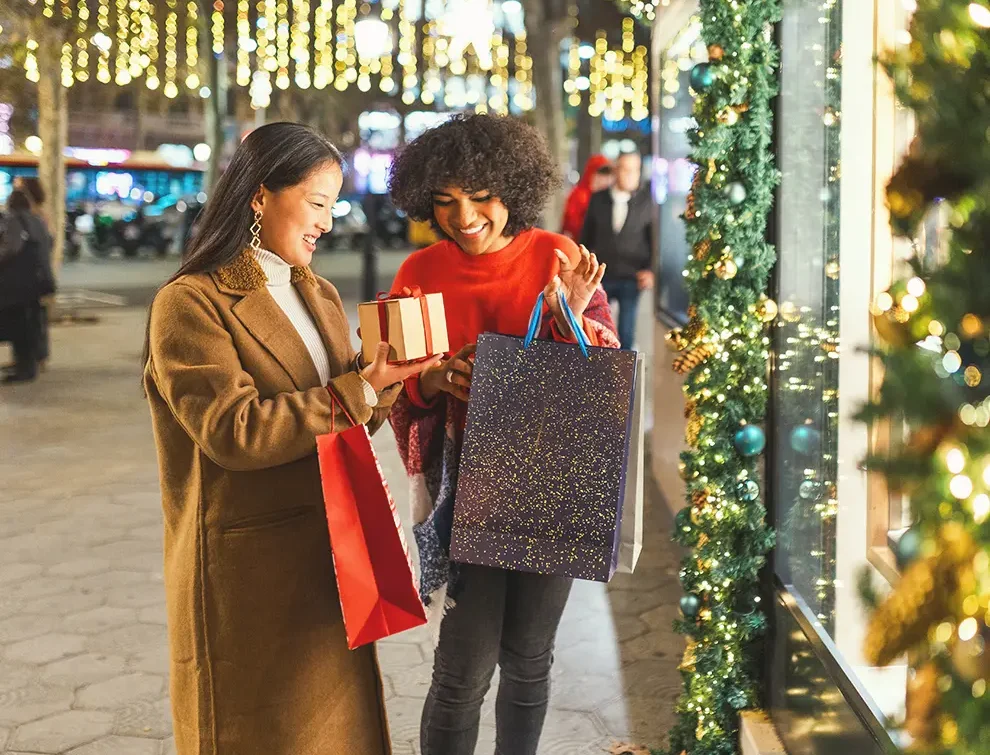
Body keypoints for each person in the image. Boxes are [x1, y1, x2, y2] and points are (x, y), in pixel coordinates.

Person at [142, 122, 440, 755]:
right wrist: (360, 390)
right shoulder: (191, 303)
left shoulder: (318, 292)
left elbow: (353, 414)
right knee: (263, 733)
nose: (326, 224)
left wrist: (392, 375)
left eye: (332, 207)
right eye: (317, 203)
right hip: (251, 568)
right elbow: (234, 432)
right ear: (258, 196)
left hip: (333, 553)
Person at [386, 113, 620, 755]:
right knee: (461, 670)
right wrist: (433, 382)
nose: (466, 216)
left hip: (556, 478)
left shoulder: (558, 255)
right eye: (446, 201)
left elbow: (601, 367)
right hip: (467, 489)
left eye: (481, 195)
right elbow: (398, 387)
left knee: (529, 656)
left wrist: (570, 315)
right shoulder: (418, 273)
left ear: (512, 187)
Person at [580, 150, 655, 350]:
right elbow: (586, 238)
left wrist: (651, 270)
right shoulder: (598, 199)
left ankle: (623, 378)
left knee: (626, 332)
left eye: (635, 170)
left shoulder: (647, 201)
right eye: (625, 169)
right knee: (597, 328)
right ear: (616, 170)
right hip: (602, 274)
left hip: (632, 275)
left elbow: (654, 240)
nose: (631, 175)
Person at [0, 189, 54, 384]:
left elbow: (11, 248)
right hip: (36, 282)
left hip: (17, 286)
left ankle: (25, 367)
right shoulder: (37, 220)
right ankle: (28, 363)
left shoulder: (14, 220)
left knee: (19, 326)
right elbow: (49, 243)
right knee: (30, 324)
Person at [560, 154, 612, 240]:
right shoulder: (579, 195)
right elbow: (571, 226)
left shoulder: (608, 196)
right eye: (601, 174)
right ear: (591, 173)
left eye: (607, 175)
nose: (604, 179)